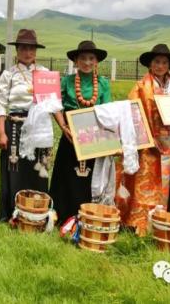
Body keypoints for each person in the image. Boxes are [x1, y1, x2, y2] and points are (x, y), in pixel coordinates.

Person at [122, 44, 170, 235]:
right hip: (151, 143)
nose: (160, 65)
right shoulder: (140, 87)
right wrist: (147, 136)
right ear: (150, 64)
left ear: (169, 65)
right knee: (150, 181)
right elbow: (133, 113)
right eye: (157, 61)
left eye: (164, 62)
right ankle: (145, 224)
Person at [49, 40, 112, 224]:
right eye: (82, 58)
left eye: (91, 58)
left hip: (94, 135)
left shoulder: (103, 83)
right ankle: (62, 214)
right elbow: (54, 105)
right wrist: (63, 127)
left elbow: (107, 111)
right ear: (76, 61)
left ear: (96, 62)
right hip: (70, 133)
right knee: (67, 173)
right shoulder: (66, 81)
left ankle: (88, 214)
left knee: (90, 175)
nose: (87, 62)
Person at [0, 29, 51, 221]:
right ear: (17, 50)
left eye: (32, 48)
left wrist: (61, 125)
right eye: (24, 48)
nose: (28, 52)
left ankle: (38, 212)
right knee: (15, 167)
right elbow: (1, 104)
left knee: (37, 167)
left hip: (39, 126)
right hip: (15, 126)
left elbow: (53, 103)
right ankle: (14, 212)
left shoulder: (45, 74)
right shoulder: (8, 75)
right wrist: (1, 132)